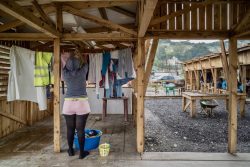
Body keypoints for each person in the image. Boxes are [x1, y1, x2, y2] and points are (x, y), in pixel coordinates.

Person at [62, 48, 90, 159]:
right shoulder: (83, 70)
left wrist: (70, 58)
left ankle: (70, 150)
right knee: (80, 130)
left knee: (70, 129)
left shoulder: (65, 72)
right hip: (81, 103)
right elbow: (85, 63)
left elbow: (66, 66)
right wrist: (80, 54)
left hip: (68, 103)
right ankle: (82, 153)